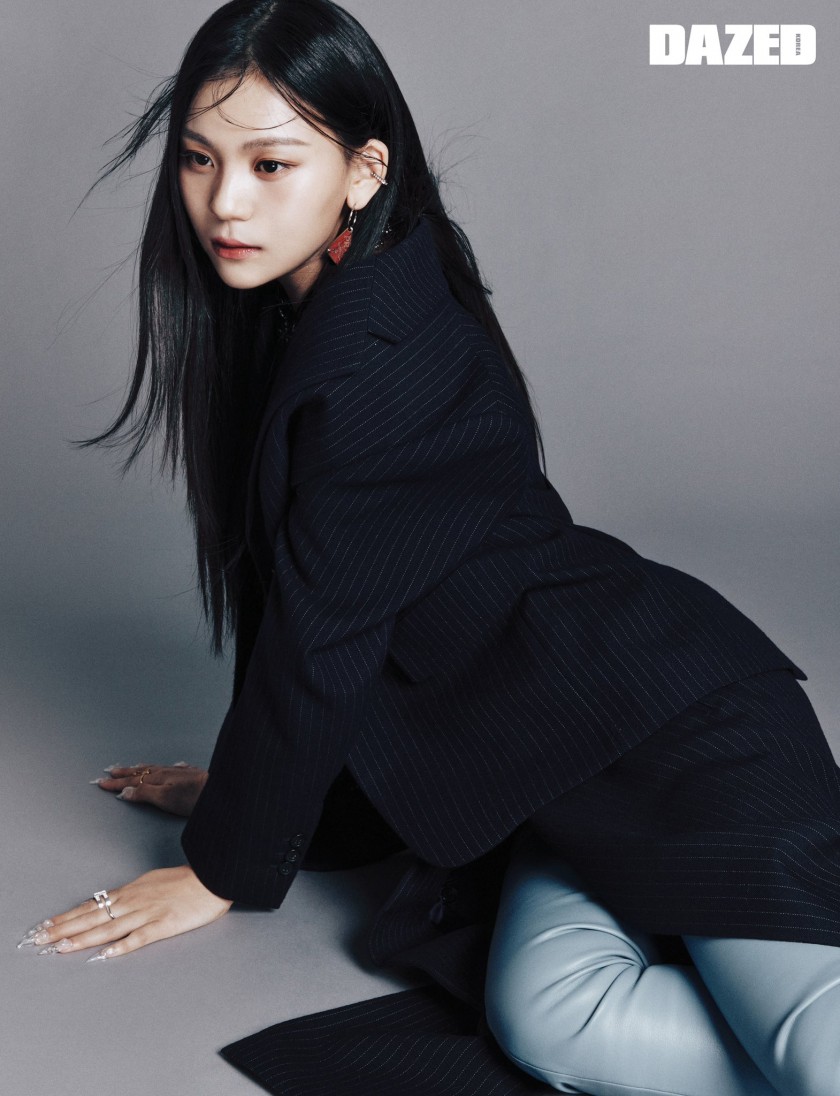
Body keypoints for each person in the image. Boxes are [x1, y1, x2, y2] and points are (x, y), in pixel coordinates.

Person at [21, 2, 840, 1093]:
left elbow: (320, 649)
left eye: (272, 164)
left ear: (364, 172)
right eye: (200, 159)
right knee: (550, 1023)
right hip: (545, 767)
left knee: (816, 1055)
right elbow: (333, 623)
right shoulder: (340, 298)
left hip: (673, 731)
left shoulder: (379, 357)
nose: (226, 202)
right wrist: (248, 798)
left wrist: (222, 865)